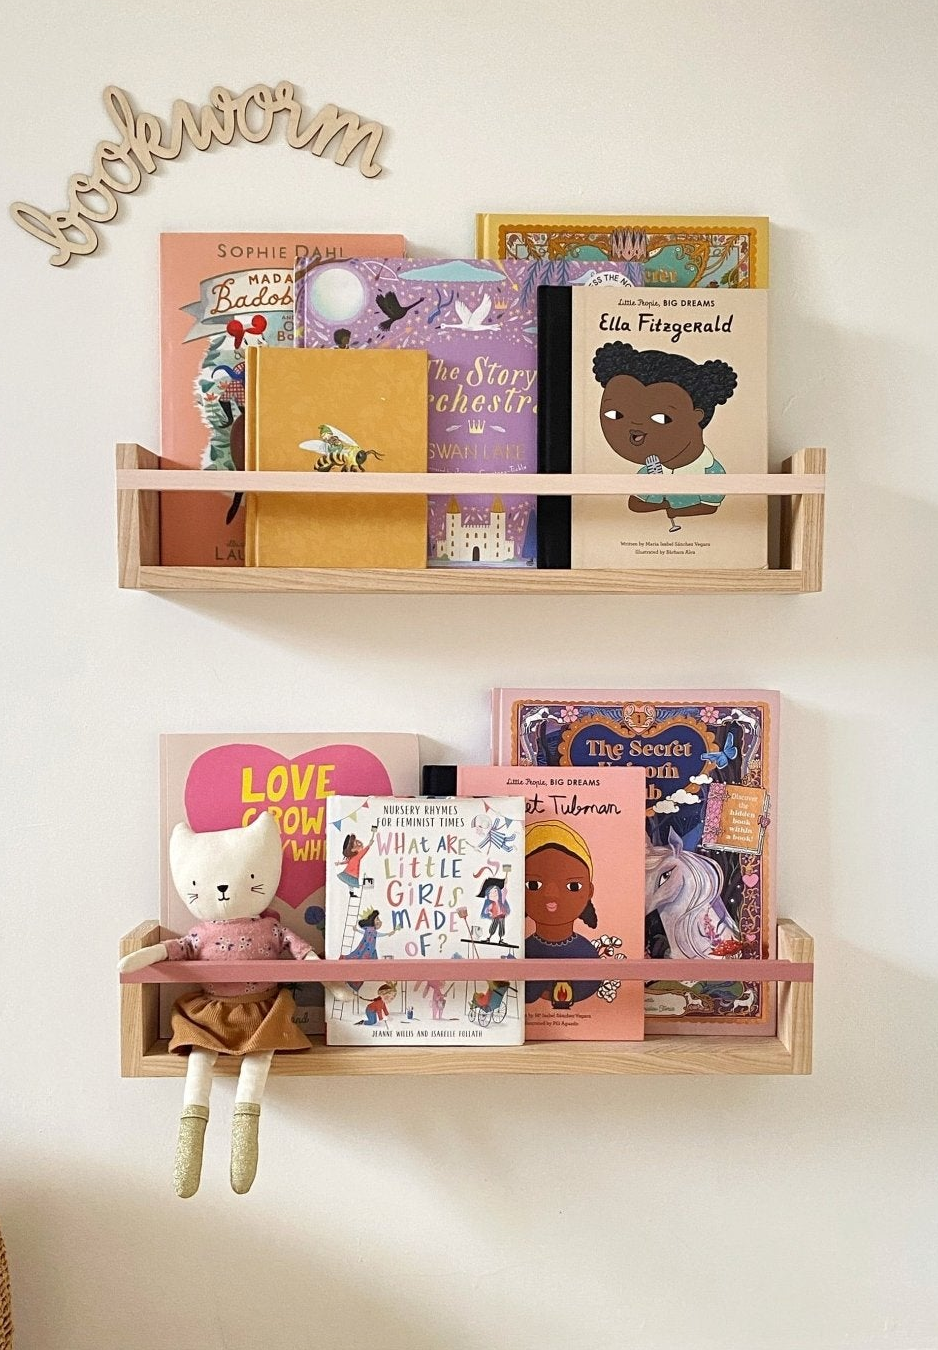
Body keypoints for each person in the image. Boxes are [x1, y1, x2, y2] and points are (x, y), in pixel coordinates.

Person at [592, 342, 738, 530]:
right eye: (615, 415)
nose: (634, 426)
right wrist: (665, 504)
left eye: (661, 418)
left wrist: (672, 509)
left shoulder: (712, 471)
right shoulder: (650, 470)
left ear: (697, 416)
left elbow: (710, 507)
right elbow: (634, 504)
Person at [523, 821, 603, 1008]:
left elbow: (590, 986)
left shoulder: (586, 953)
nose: (551, 894)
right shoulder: (523, 951)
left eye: (573, 886)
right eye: (533, 885)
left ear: (589, 892)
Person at [336, 825, 377, 897]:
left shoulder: (355, 856)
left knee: (350, 884)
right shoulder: (355, 856)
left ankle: (351, 893)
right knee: (350, 883)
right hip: (351, 873)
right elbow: (363, 852)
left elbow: (362, 852)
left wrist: (369, 845)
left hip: (350, 872)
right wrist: (369, 845)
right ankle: (351, 893)